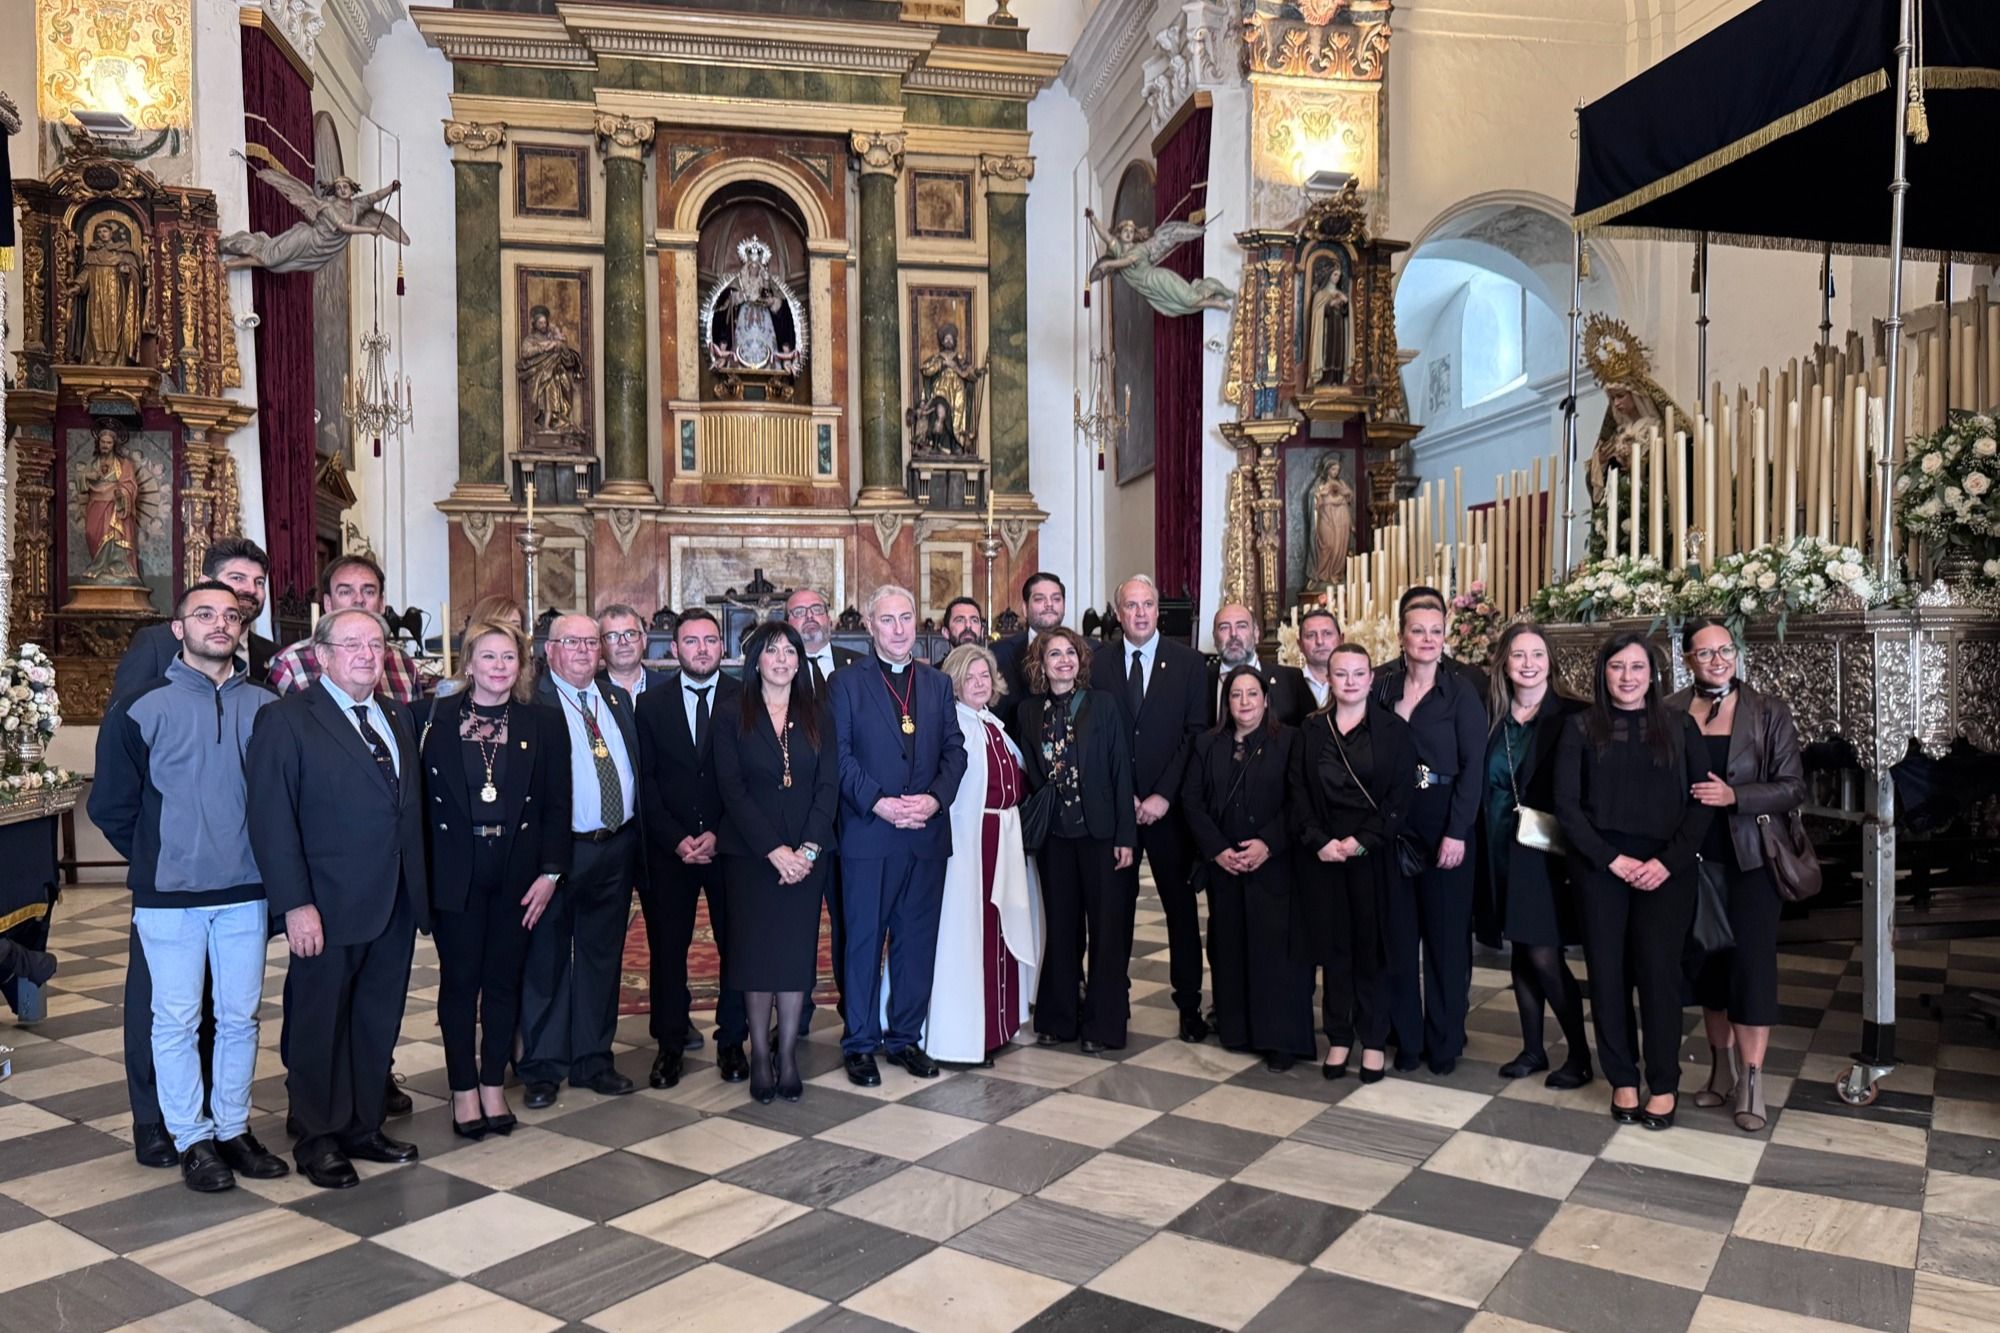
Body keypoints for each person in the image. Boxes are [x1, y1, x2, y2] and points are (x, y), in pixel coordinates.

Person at [90, 582, 289, 1191]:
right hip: (170, 898)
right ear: (178, 629)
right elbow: (111, 806)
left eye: (231, 616)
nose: (220, 624)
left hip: (246, 892)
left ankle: (232, 1128)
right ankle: (191, 1138)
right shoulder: (140, 706)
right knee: (174, 1021)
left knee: (239, 1018)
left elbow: (282, 796)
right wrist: (161, 855)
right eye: (204, 614)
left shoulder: (267, 705)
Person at [247, 608, 429, 1188]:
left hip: (393, 899)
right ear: (321, 656)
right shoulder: (287, 720)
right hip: (324, 905)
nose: (366, 655)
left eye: (375, 645)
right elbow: (272, 822)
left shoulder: (396, 717)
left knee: (376, 1018)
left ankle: (362, 1124)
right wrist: (294, 904)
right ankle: (318, 1136)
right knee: (320, 1021)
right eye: (352, 644)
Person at [416, 617, 570, 1139]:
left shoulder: (542, 723)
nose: (500, 667)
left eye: (509, 658)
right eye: (489, 657)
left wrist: (551, 872)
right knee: (461, 984)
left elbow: (556, 805)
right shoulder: (430, 718)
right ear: (468, 663)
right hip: (456, 873)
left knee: (503, 985)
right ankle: (462, 1090)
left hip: (518, 875)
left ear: (522, 665)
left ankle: (491, 1085)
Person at [1554, 633, 1712, 1130]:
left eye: (1637, 668)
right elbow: (1566, 807)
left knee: (1659, 976)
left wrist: (1668, 862)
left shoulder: (1681, 726)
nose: (1627, 677)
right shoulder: (1579, 728)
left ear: (1653, 674)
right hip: (1601, 869)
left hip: (1668, 869)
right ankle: (1622, 1076)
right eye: (1617, 667)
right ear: (1603, 673)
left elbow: (1701, 800)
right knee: (1607, 975)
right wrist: (1612, 860)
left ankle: (1663, 1083)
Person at [1669, 619, 1807, 1133]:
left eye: (1726, 650)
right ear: (1687, 660)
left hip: (1752, 859)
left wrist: (1736, 797)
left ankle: (1752, 1080)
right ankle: (1719, 1072)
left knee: (1751, 970)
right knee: (1709, 968)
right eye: (1706, 654)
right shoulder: (1670, 711)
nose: (1718, 660)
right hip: (1694, 860)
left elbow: (1793, 787)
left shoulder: (1768, 711)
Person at [828, 585, 967, 1086]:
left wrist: (934, 799)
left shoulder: (936, 683)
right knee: (864, 942)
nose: (899, 628)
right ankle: (860, 1043)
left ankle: (904, 1037)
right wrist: (880, 803)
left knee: (916, 943)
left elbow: (956, 751)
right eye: (887, 620)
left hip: (925, 834)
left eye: (906, 617)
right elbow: (838, 758)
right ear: (869, 625)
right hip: (870, 834)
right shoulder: (845, 684)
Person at [520, 613, 643, 1108]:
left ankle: (593, 1058)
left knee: (600, 957)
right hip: (556, 852)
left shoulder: (613, 697)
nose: (583, 651)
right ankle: (543, 1066)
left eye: (591, 643)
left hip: (614, 846)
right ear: (549, 650)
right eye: (571, 642)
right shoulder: (532, 703)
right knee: (546, 959)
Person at [714, 621, 840, 1104]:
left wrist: (808, 848)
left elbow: (828, 785)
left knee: (793, 956)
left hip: (808, 858)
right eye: (772, 651)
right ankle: (759, 1058)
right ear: (756, 661)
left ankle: (786, 1053)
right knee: (754, 957)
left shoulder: (818, 713)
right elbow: (732, 790)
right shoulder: (731, 715)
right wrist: (774, 851)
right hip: (751, 857)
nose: (783, 659)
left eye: (791, 651)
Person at [1089, 574, 1209, 1041]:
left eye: (1148, 605)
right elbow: (1095, 737)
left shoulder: (1190, 664)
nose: (1140, 614)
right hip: (1117, 812)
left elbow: (1194, 734)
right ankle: (1112, 1004)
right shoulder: (1097, 665)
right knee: (1113, 912)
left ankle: (1189, 1005)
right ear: (1118, 614)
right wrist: (1127, 798)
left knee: (1180, 912)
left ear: (1159, 611)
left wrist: (1163, 796)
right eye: (1131, 606)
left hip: (1170, 811)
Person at [1290, 644, 1417, 1083]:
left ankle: (1374, 1040)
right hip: (1323, 856)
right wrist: (1319, 841)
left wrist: (1363, 841)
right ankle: (1339, 1036)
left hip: (1372, 857)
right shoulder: (1310, 732)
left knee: (1372, 949)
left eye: (1358, 673)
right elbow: (1297, 793)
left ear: (1370, 678)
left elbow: (1401, 797)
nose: (1349, 681)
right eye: (1340, 673)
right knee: (1334, 949)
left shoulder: (1394, 731)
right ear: (1329, 677)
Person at [1373, 595, 1486, 1074]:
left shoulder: (1461, 693)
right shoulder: (1381, 686)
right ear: (1402, 636)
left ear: (1445, 637)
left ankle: (1444, 1041)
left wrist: (1457, 832)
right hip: (1395, 824)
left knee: (1444, 940)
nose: (1426, 639)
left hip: (1445, 823)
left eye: (1435, 631)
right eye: (1417, 630)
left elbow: (1472, 768)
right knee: (1398, 938)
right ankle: (1408, 1040)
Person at [635, 609, 748, 1087]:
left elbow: (749, 780)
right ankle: (669, 1044)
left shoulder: (747, 700)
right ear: (673, 648)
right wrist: (675, 837)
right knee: (667, 950)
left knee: (736, 947)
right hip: (671, 850)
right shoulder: (651, 705)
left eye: (710, 640)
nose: (701, 649)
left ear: (723, 647)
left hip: (730, 848)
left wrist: (719, 833)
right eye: (691, 641)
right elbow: (646, 781)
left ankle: (732, 1042)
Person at [1479, 624, 1592, 1090]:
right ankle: (1532, 1049)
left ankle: (1581, 1056)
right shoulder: (1492, 716)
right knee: (1522, 950)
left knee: (1544, 954)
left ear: (1551, 661)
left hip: (1547, 852)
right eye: (1518, 655)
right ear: (1504, 663)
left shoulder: (1573, 715)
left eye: (1537, 655)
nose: (1528, 663)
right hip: (1499, 844)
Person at [1183, 666, 1312, 1071]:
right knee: (1230, 946)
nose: (1244, 703)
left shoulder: (1289, 741)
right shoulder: (1207, 744)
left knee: (1275, 954)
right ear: (1226, 702)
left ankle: (1280, 1040)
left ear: (1266, 699)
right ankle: (1236, 1029)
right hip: (1226, 866)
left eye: (1252, 694)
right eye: (1236, 695)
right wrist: (1218, 850)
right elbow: (1192, 801)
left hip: (1273, 865)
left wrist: (1268, 844)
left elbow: (1299, 801)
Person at [1014, 627, 1135, 1050]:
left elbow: (1121, 771)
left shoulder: (1102, 704)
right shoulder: (1029, 712)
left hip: (1101, 835)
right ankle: (1058, 1019)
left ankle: (1103, 1027)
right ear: (1040, 665)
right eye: (1054, 655)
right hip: (1056, 838)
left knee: (1106, 931)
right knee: (1062, 929)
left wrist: (1126, 835)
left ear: (1081, 661)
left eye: (1070, 653)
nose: (1063, 661)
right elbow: (1030, 773)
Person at [928, 644, 1040, 1066]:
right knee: (971, 933)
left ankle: (1000, 1025)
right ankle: (966, 1033)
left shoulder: (993, 722)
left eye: (985, 676)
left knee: (998, 928)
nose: (980, 683)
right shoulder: (956, 724)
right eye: (970, 677)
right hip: (972, 845)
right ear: (955, 683)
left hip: (1003, 840)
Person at [787, 586, 860, 1032]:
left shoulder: (858, 667)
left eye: (817, 610)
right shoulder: (775, 668)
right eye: (799, 612)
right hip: (796, 822)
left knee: (852, 921)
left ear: (829, 617)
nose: (810, 619)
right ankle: (797, 1014)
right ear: (787, 621)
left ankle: (856, 1010)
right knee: (795, 927)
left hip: (851, 820)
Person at [112, 536, 275, 704]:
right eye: (237, 578)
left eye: (259, 582)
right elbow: (124, 718)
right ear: (206, 583)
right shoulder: (155, 644)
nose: (251, 589)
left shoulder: (274, 656)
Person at [267, 554, 424, 704]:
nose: (358, 600)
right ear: (328, 604)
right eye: (345, 592)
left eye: (369, 591)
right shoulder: (290, 666)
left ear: (382, 603)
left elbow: (417, 730)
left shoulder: (403, 663)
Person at [1206, 602, 1309, 726]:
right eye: (1224, 627)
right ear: (1214, 636)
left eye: (1241, 626)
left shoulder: (1291, 679)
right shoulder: (1200, 679)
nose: (1233, 634)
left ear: (1256, 634)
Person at [992, 572, 1066, 728]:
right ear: (1025, 609)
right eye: (1040, 599)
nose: (1049, 604)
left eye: (1056, 599)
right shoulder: (998, 654)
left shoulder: (1089, 651)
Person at [788, 588, 862, 699]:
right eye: (799, 612)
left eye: (817, 609)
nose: (809, 616)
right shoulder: (778, 668)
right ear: (786, 625)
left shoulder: (861, 665)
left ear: (829, 620)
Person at [600, 602, 670, 700]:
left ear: (644, 640)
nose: (623, 642)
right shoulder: (590, 689)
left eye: (630, 634)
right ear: (600, 646)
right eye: (612, 636)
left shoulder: (669, 687)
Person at [1298, 607, 1340, 712]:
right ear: (1300, 645)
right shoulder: (1289, 685)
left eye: (1327, 634)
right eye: (1311, 635)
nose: (1320, 641)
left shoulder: (1355, 683)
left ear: (1341, 639)